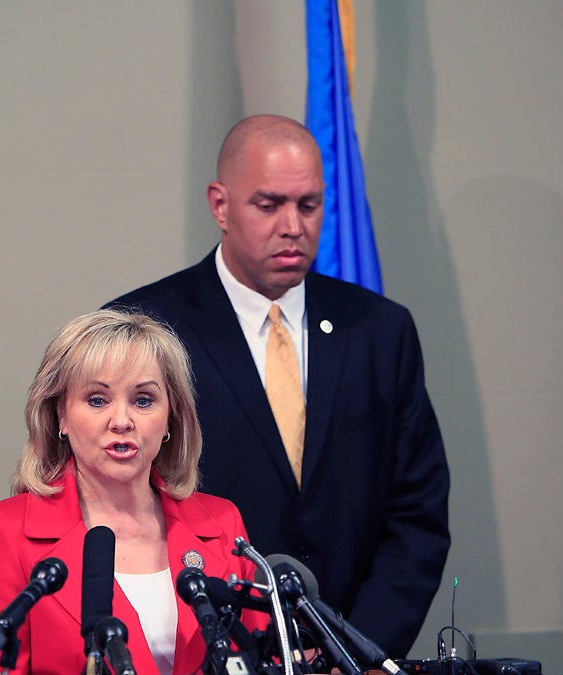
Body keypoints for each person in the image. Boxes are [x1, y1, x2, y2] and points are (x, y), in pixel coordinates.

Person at [107, 115, 450, 659]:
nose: (293, 225)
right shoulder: (145, 328)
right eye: (269, 205)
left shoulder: (381, 331)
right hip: (207, 653)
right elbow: (120, 506)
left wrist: (360, 655)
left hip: (355, 654)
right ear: (220, 205)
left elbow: (416, 515)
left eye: (308, 205)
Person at [0, 310, 266, 675]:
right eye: (98, 400)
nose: (121, 421)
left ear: (170, 419)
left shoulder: (222, 522)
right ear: (61, 417)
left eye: (143, 400)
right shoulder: (1, 532)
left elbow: (259, 662)